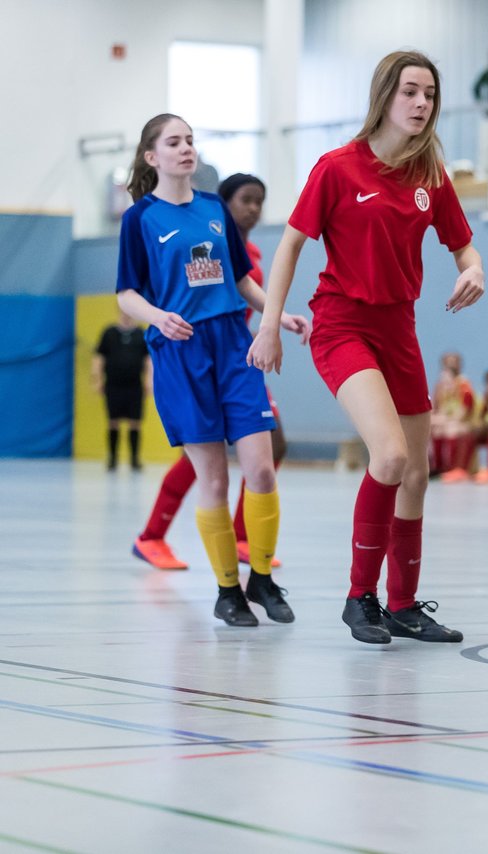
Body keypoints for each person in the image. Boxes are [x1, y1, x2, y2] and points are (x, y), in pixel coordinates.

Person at [249, 50, 484, 646]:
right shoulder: (337, 168)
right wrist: (270, 323)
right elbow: (290, 248)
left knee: (418, 474)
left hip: (398, 328)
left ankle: (404, 605)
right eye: (410, 91)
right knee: (389, 455)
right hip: (341, 324)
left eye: (430, 94)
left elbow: (464, 248)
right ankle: (361, 596)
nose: (421, 103)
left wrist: (473, 270)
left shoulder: (431, 176)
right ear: (384, 97)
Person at [116, 114, 309, 627]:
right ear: (152, 156)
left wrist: (277, 315)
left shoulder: (213, 208)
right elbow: (127, 293)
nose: (185, 149)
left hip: (233, 345)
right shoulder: (140, 219)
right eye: (173, 142)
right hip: (181, 352)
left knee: (263, 468)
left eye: (190, 141)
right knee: (215, 482)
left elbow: (242, 278)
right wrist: (160, 316)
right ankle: (228, 592)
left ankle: (261, 578)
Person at [131, 173, 290, 573]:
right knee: (203, 458)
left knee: (271, 448)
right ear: (222, 203)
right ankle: (152, 535)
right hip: (193, 358)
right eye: (245, 200)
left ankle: (241, 534)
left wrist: (279, 320)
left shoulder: (248, 252)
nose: (253, 208)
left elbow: (246, 299)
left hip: (236, 356)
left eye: (260, 201)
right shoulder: (182, 237)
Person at [93, 308, 151, 471]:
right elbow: (99, 357)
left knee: (135, 422)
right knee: (113, 422)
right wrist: (97, 379)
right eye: (124, 312)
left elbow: (148, 359)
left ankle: (134, 459)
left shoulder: (141, 334)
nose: (126, 316)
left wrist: (149, 380)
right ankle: (112, 458)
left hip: (134, 385)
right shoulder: (109, 333)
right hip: (113, 384)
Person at [432, 351, 478, 481]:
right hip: (445, 419)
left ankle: (454, 468)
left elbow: (465, 410)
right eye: (447, 364)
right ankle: (438, 467)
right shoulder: (440, 385)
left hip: (462, 421)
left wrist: (446, 419)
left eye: (453, 363)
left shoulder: (464, 385)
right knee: (434, 428)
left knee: (452, 429)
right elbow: (435, 407)